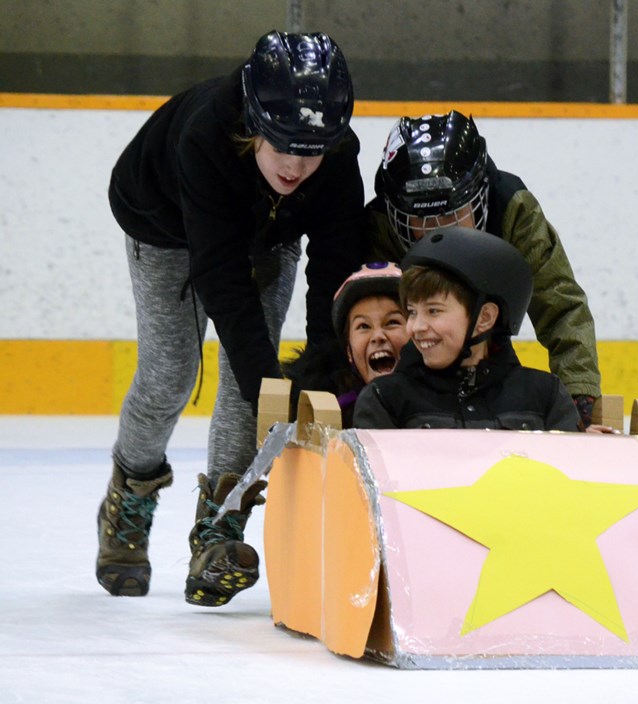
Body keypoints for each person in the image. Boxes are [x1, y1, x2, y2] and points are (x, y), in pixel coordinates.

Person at [96, 30, 367, 607]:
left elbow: (337, 272)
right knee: (172, 371)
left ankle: (220, 529)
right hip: (164, 221)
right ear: (252, 125)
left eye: (312, 150)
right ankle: (130, 495)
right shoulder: (206, 136)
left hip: (271, 230)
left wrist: (325, 368)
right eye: (283, 145)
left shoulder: (337, 158)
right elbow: (220, 275)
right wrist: (264, 380)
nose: (297, 165)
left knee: (257, 387)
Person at [365, 110, 601, 426]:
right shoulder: (379, 224)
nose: (439, 232)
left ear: (481, 197)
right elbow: (362, 323)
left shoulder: (512, 208)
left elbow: (560, 305)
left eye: (451, 216)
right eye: (420, 221)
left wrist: (579, 403)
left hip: (487, 345)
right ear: (395, 214)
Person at [353, 227, 581, 431]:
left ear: (485, 317)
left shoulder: (544, 395)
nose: (416, 327)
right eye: (412, 312)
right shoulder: (385, 398)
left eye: (433, 311)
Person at [283, 262, 408, 427]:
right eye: (363, 326)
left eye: (392, 322)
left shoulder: (446, 400)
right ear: (349, 352)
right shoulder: (330, 421)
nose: (378, 336)